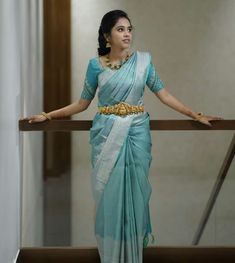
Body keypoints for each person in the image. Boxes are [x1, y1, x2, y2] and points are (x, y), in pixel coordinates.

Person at [23, 10, 223, 263]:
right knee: (109, 195)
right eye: (120, 29)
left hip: (136, 135)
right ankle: (111, 256)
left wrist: (195, 114)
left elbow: (164, 95)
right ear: (107, 36)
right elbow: (82, 104)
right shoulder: (96, 65)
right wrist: (48, 116)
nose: (127, 34)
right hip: (107, 136)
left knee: (134, 195)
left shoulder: (143, 63)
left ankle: (132, 255)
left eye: (129, 29)